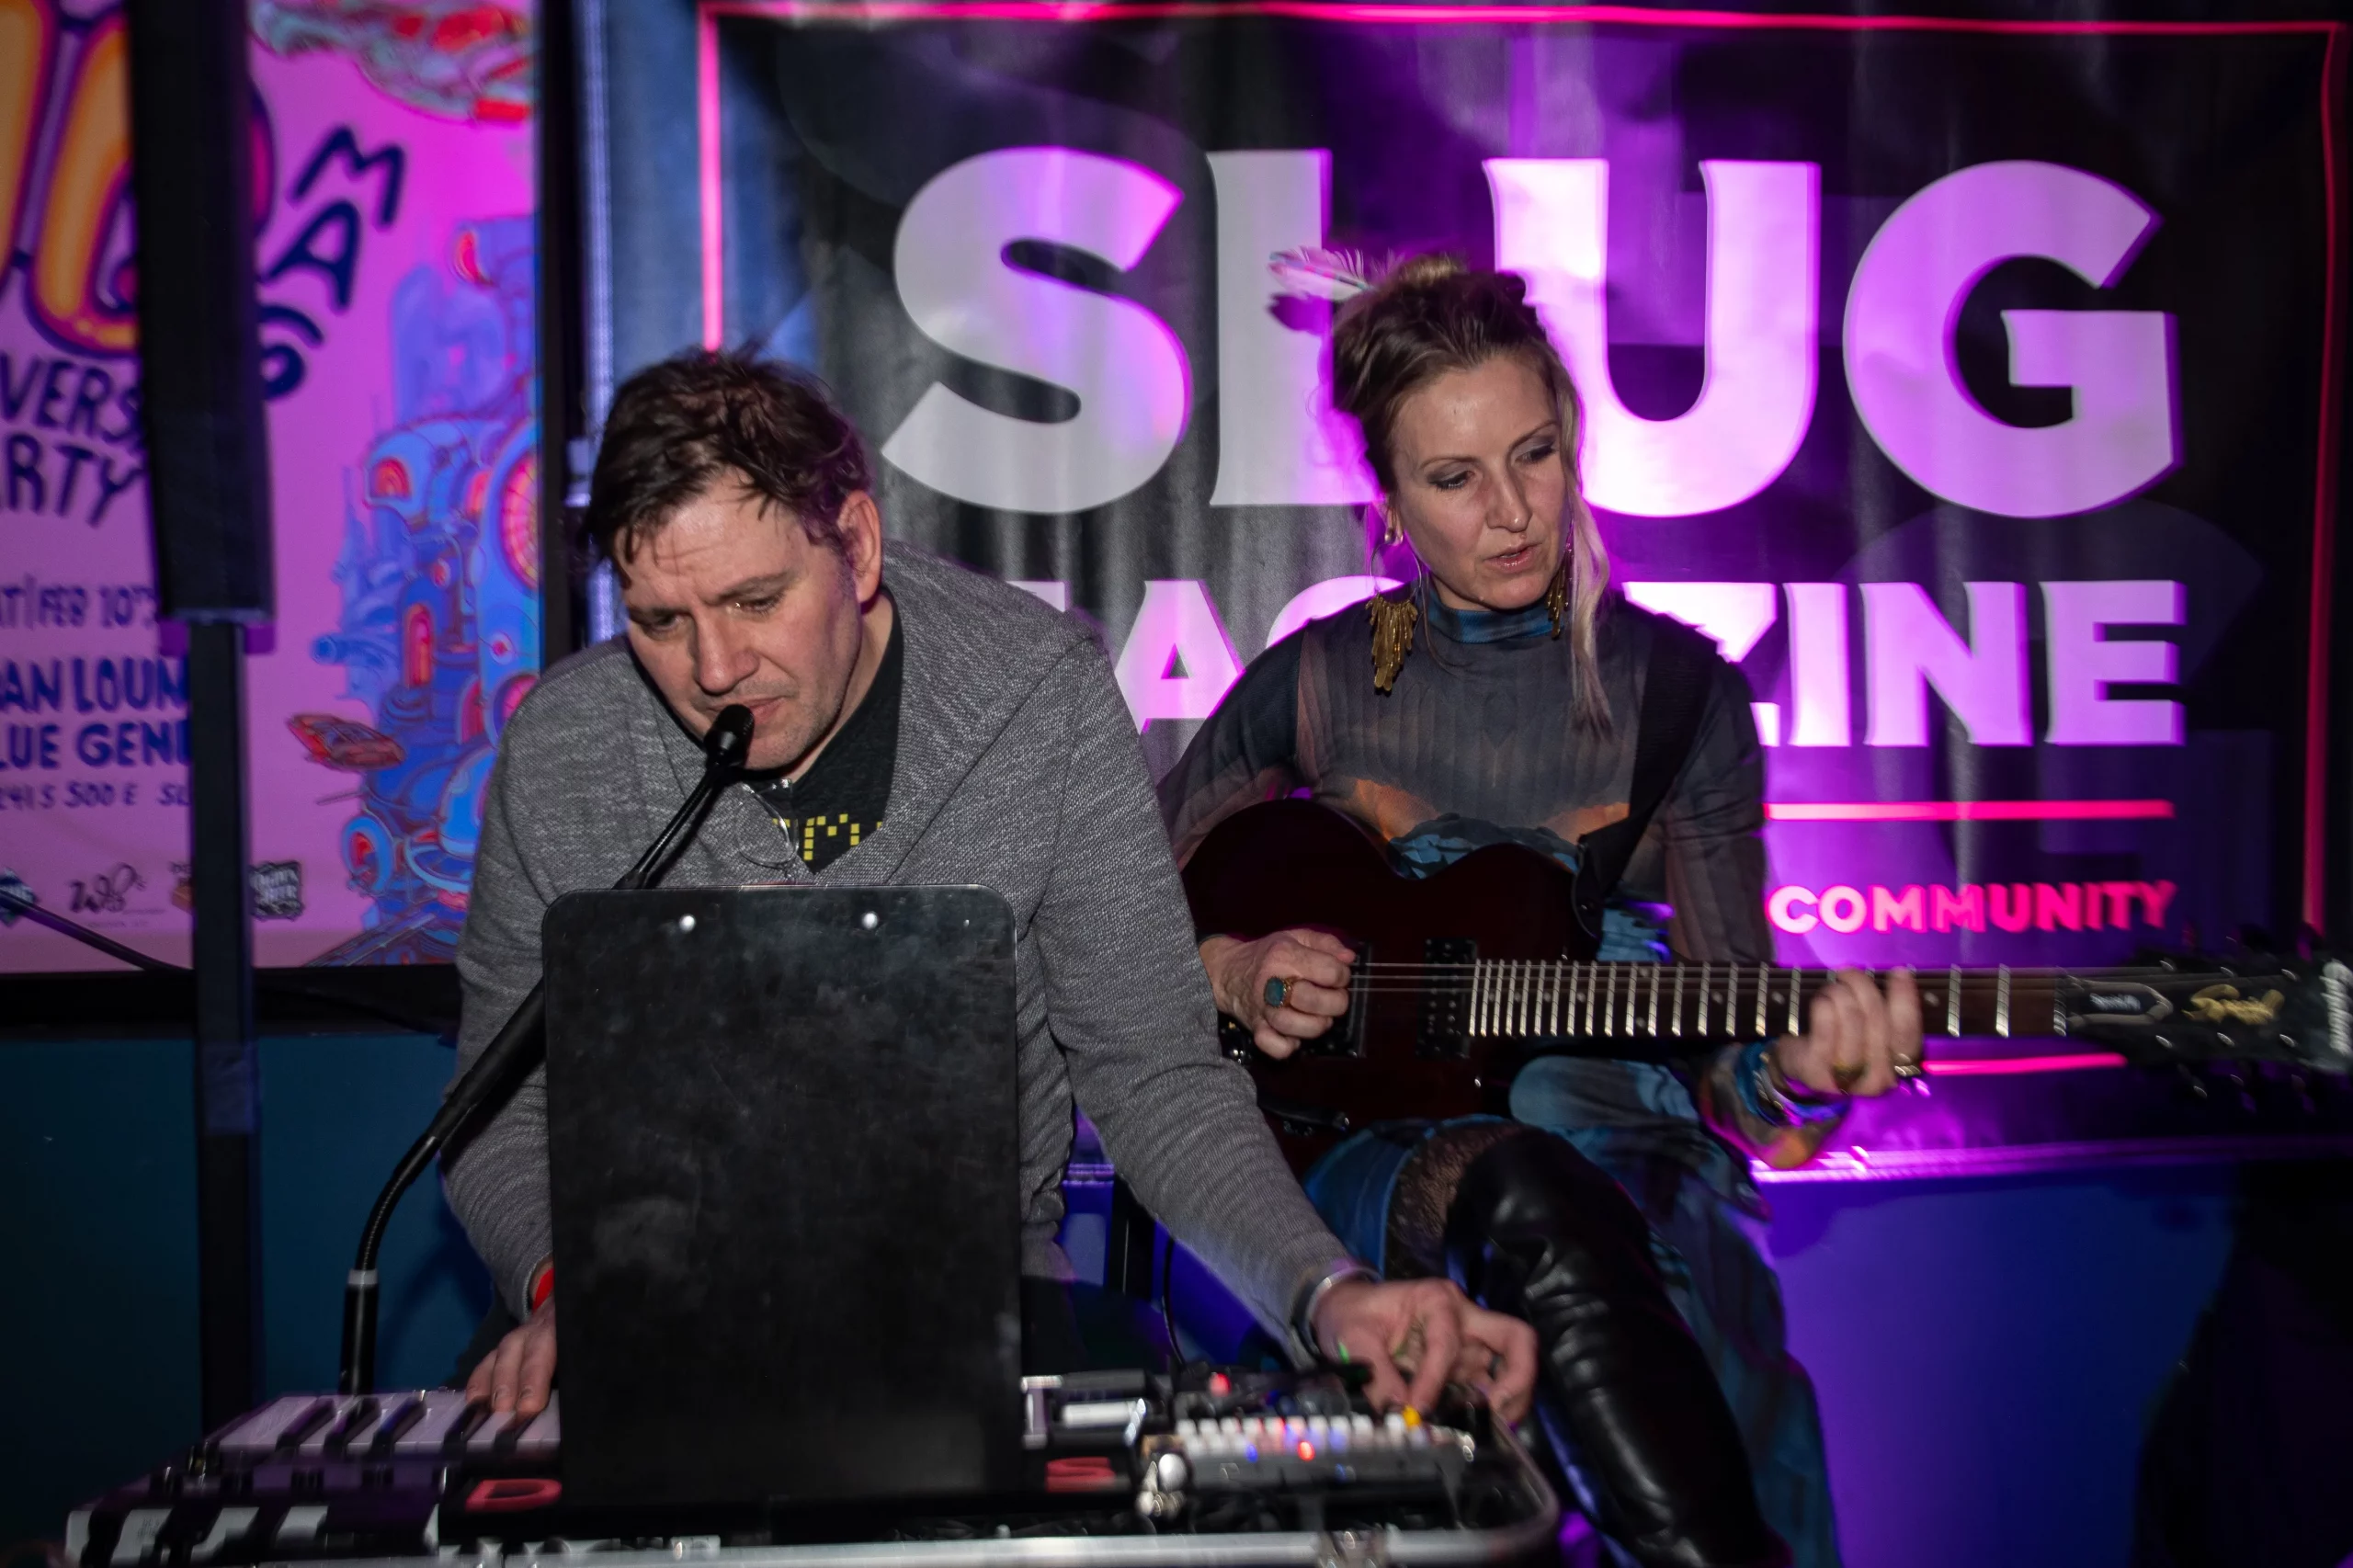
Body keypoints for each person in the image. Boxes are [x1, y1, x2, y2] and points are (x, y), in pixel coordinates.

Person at [439, 348, 1537, 1430]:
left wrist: (1324, 1288)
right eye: (659, 621)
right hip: (632, 1318)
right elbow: (494, 1109)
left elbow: (1152, 1069)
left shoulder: (1036, 698)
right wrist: (559, 1283)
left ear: (857, 545)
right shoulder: (563, 750)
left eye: (755, 598)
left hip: (969, 1327)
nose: (713, 668)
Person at [1157, 256, 1924, 1568]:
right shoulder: (1321, 681)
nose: (1512, 512)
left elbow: (1737, 1060)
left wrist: (1798, 1079)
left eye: (1537, 454)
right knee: (1507, 1200)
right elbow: (1119, 921)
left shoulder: (1684, 694)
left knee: (1643, 1261)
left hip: (1630, 1155)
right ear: (1388, 501)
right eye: (1455, 479)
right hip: (1374, 1154)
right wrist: (1227, 963)